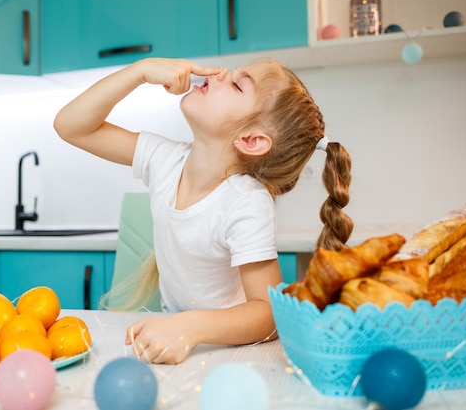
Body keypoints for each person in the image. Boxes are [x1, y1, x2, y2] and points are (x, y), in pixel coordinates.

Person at [54, 57, 353, 364]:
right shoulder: (164, 160)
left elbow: (268, 313)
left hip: (230, 354)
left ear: (250, 140)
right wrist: (139, 72)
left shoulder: (247, 202)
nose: (222, 73)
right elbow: (70, 126)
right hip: (179, 344)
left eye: (237, 84)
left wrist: (190, 326)